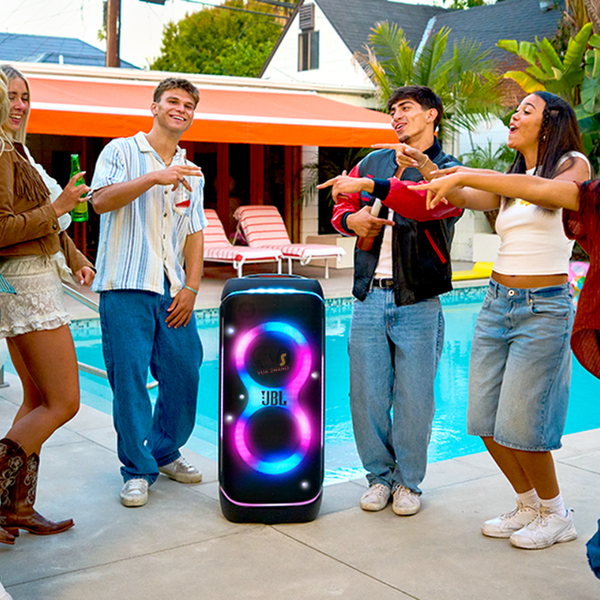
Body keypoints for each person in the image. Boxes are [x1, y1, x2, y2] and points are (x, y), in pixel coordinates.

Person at [410, 91, 590, 549]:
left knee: (522, 425)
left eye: (526, 110)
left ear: (550, 123)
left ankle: (556, 513)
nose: (514, 116)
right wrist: (430, 169)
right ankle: (528, 504)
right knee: (485, 419)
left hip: (543, 308)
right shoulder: (513, 178)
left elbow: (564, 195)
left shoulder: (571, 165)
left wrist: (469, 173)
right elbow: (466, 195)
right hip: (496, 304)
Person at [318, 86, 463, 516]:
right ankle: (379, 478)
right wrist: (351, 219)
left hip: (419, 297)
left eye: (406, 108)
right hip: (368, 295)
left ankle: (408, 483)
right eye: (393, 110)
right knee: (366, 396)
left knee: (415, 399)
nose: (397, 116)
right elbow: (341, 203)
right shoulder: (372, 160)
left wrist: (374, 187)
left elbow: (426, 205)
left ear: (432, 114)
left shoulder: (448, 168)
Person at [91, 77, 207, 508]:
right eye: (172, 101)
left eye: (188, 105)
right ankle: (138, 469)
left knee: (186, 372)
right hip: (125, 284)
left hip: (171, 289)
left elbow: (194, 232)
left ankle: (164, 450)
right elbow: (99, 201)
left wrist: (191, 286)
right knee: (130, 382)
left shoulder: (191, 171)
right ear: (154, 107)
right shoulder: (120, 151)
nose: (181, 109)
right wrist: (155, 177)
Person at [0, 67, 95, 543]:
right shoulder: (1, 152)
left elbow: (46, 225)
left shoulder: (18, 151)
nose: (19, 105)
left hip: (24, 280)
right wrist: (58, 207)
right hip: (26, 283)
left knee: (37, 400)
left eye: (24, 96)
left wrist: (76, 258)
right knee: (64, 402)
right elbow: (2, 228)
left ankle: (17, 506)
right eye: (10, 96)